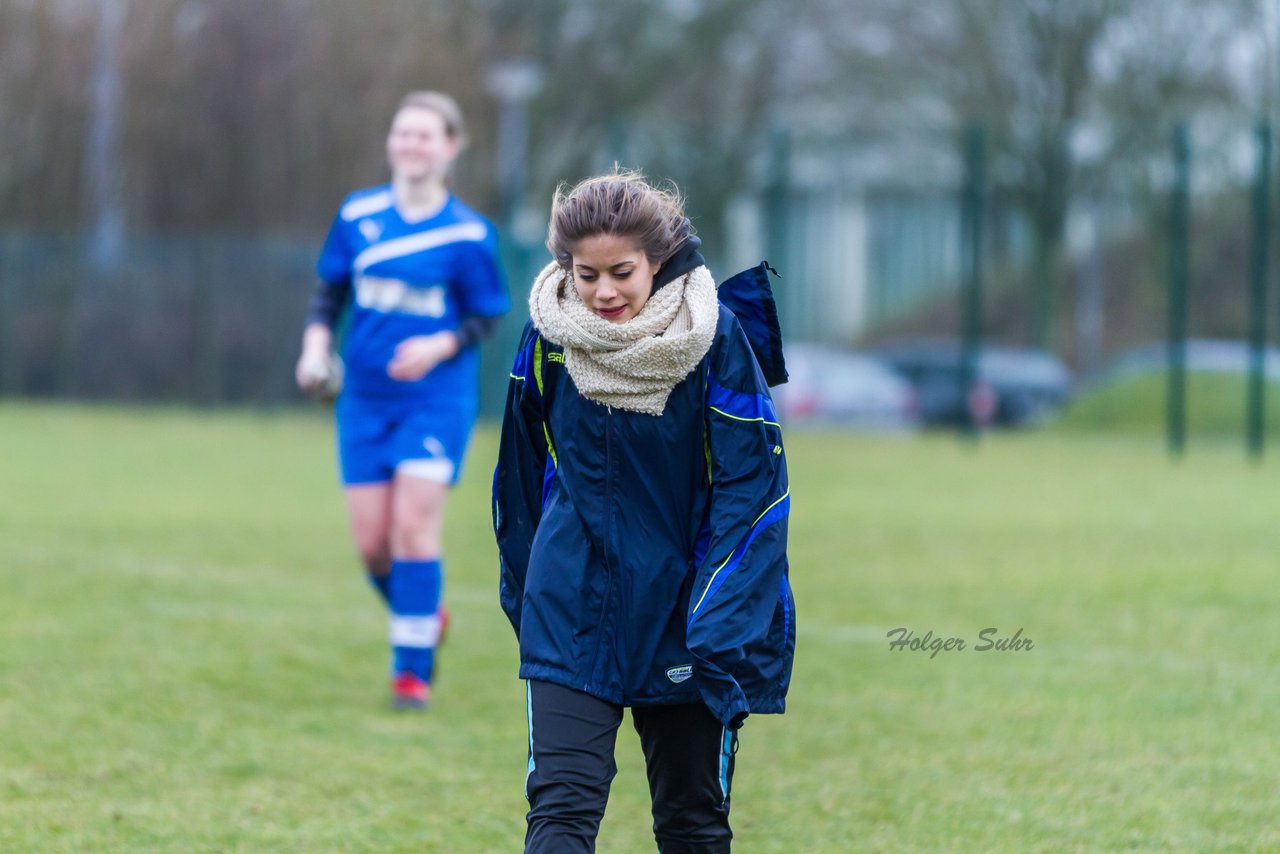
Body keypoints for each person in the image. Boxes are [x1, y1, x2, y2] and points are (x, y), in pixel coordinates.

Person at [493, 170, 795, 853]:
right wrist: (534, 593)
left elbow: (755, 493)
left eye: (620, 272)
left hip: (686, 616)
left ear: (656, 261)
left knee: (691, 823)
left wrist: (718, 620)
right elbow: (518, 477)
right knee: (560, 813)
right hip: (571, 608)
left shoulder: (715, 339)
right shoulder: (547, 338)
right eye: (585, 273)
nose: (601, 292)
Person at [296, 91, 509, 710]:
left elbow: (485, 316)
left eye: (425, 135)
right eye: (403, 133)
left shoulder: (469, 233)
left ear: (450, 148)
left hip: (435, 400)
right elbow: (327, 297)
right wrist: (314, 351)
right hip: (363, 398)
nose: (412, 145)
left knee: (414, 525)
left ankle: (410, 673)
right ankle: (425, 615)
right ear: (391, 142)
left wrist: (440, 345)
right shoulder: (358, 214)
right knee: (372, 545)